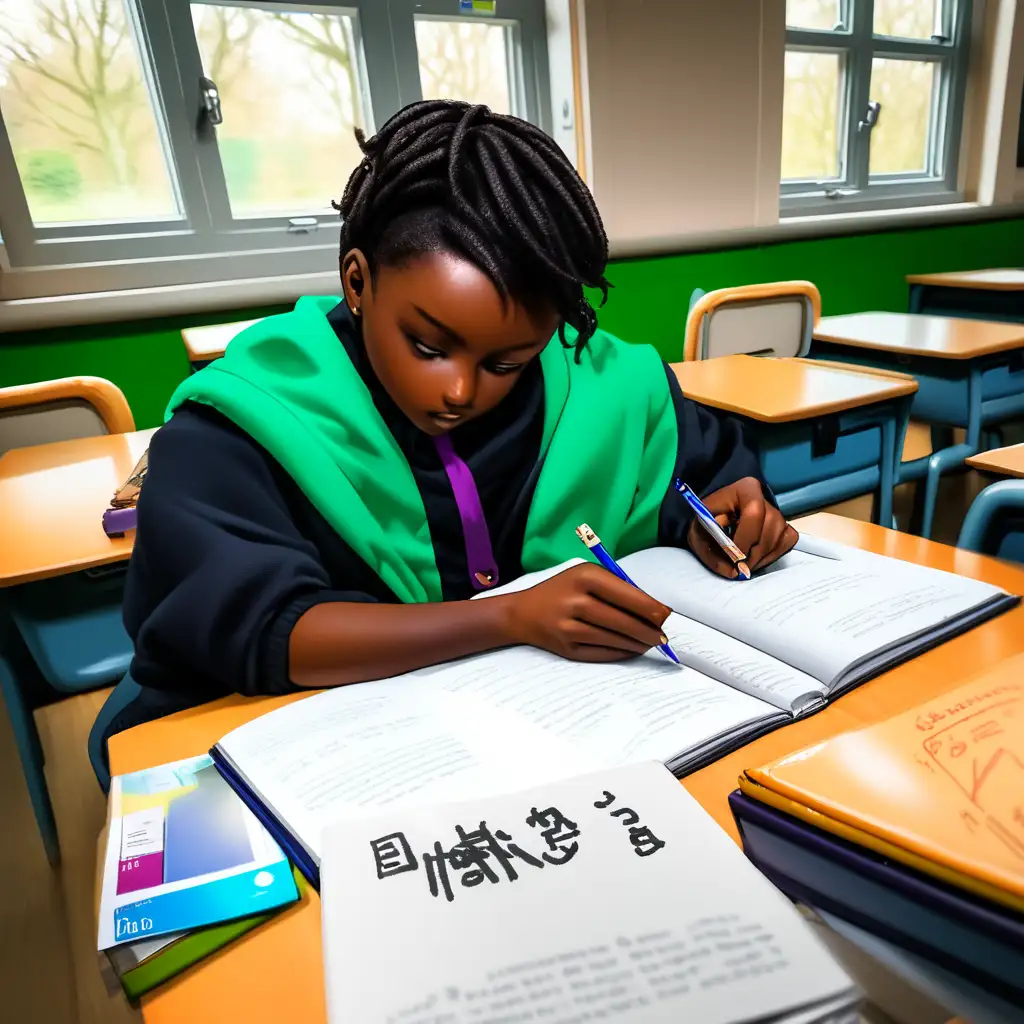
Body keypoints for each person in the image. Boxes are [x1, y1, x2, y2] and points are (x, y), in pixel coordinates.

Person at [110, 100, 796, 753]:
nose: (460, 390)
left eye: (508, 362)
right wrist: (507, 616)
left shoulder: (606, 384)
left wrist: (731, 502)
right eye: (429, 347)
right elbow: (260, 631)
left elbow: (697, 469)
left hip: (554, 728)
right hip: (310, 738)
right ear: (357, 282)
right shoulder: (240, 426)